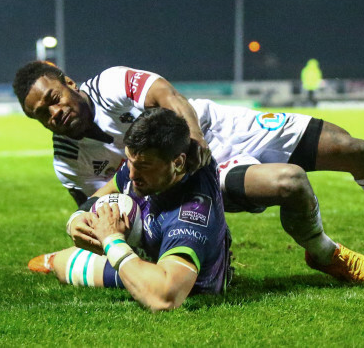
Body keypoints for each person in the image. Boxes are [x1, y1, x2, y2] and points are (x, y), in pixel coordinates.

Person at [14, 61, 364, 279]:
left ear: (68, 82)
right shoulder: (68, 161)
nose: (53, 113)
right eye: (41, 113)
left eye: (53, 98)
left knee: (353, 148)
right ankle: (323, 253)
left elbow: (171, 98)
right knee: (288, 182)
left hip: (219, 129)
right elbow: (111, 214)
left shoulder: (112, 84)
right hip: (199, 178)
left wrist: (195, 141)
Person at [31, 108, 232, 312]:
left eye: (144, 165)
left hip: (180, 281)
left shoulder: (191, 214)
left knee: (63, 266)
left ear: (178, 163)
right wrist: (77, 217)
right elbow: (109, 188)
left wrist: (112, 240)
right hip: (149, 243)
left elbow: (164, 298)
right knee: (63, 263)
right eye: (129, 160)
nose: (132, 173)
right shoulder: (154, 159)